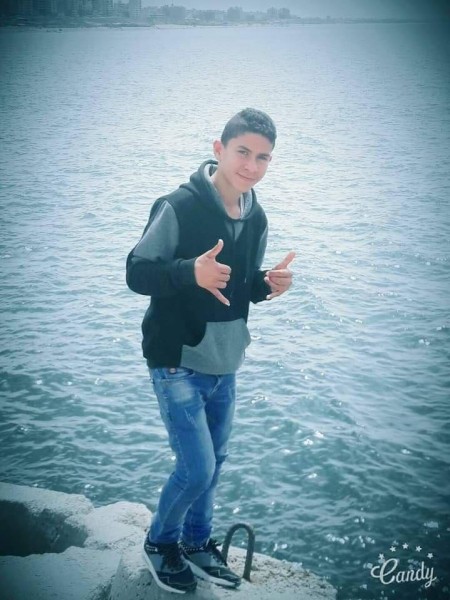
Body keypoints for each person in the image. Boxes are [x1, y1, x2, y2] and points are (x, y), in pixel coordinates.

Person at [126, 108, 294, 594]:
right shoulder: (178, 206)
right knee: (196, 468)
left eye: (263, 157)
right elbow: (137, 272)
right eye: (242, 152)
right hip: (177, 361)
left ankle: (198, 543)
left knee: (214, 465)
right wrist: (189, 272)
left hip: (226, 361)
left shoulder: (256, 216)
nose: (251, 166)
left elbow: (239, 288)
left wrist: (267, 285)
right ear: (219, 149)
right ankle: (160, 543)